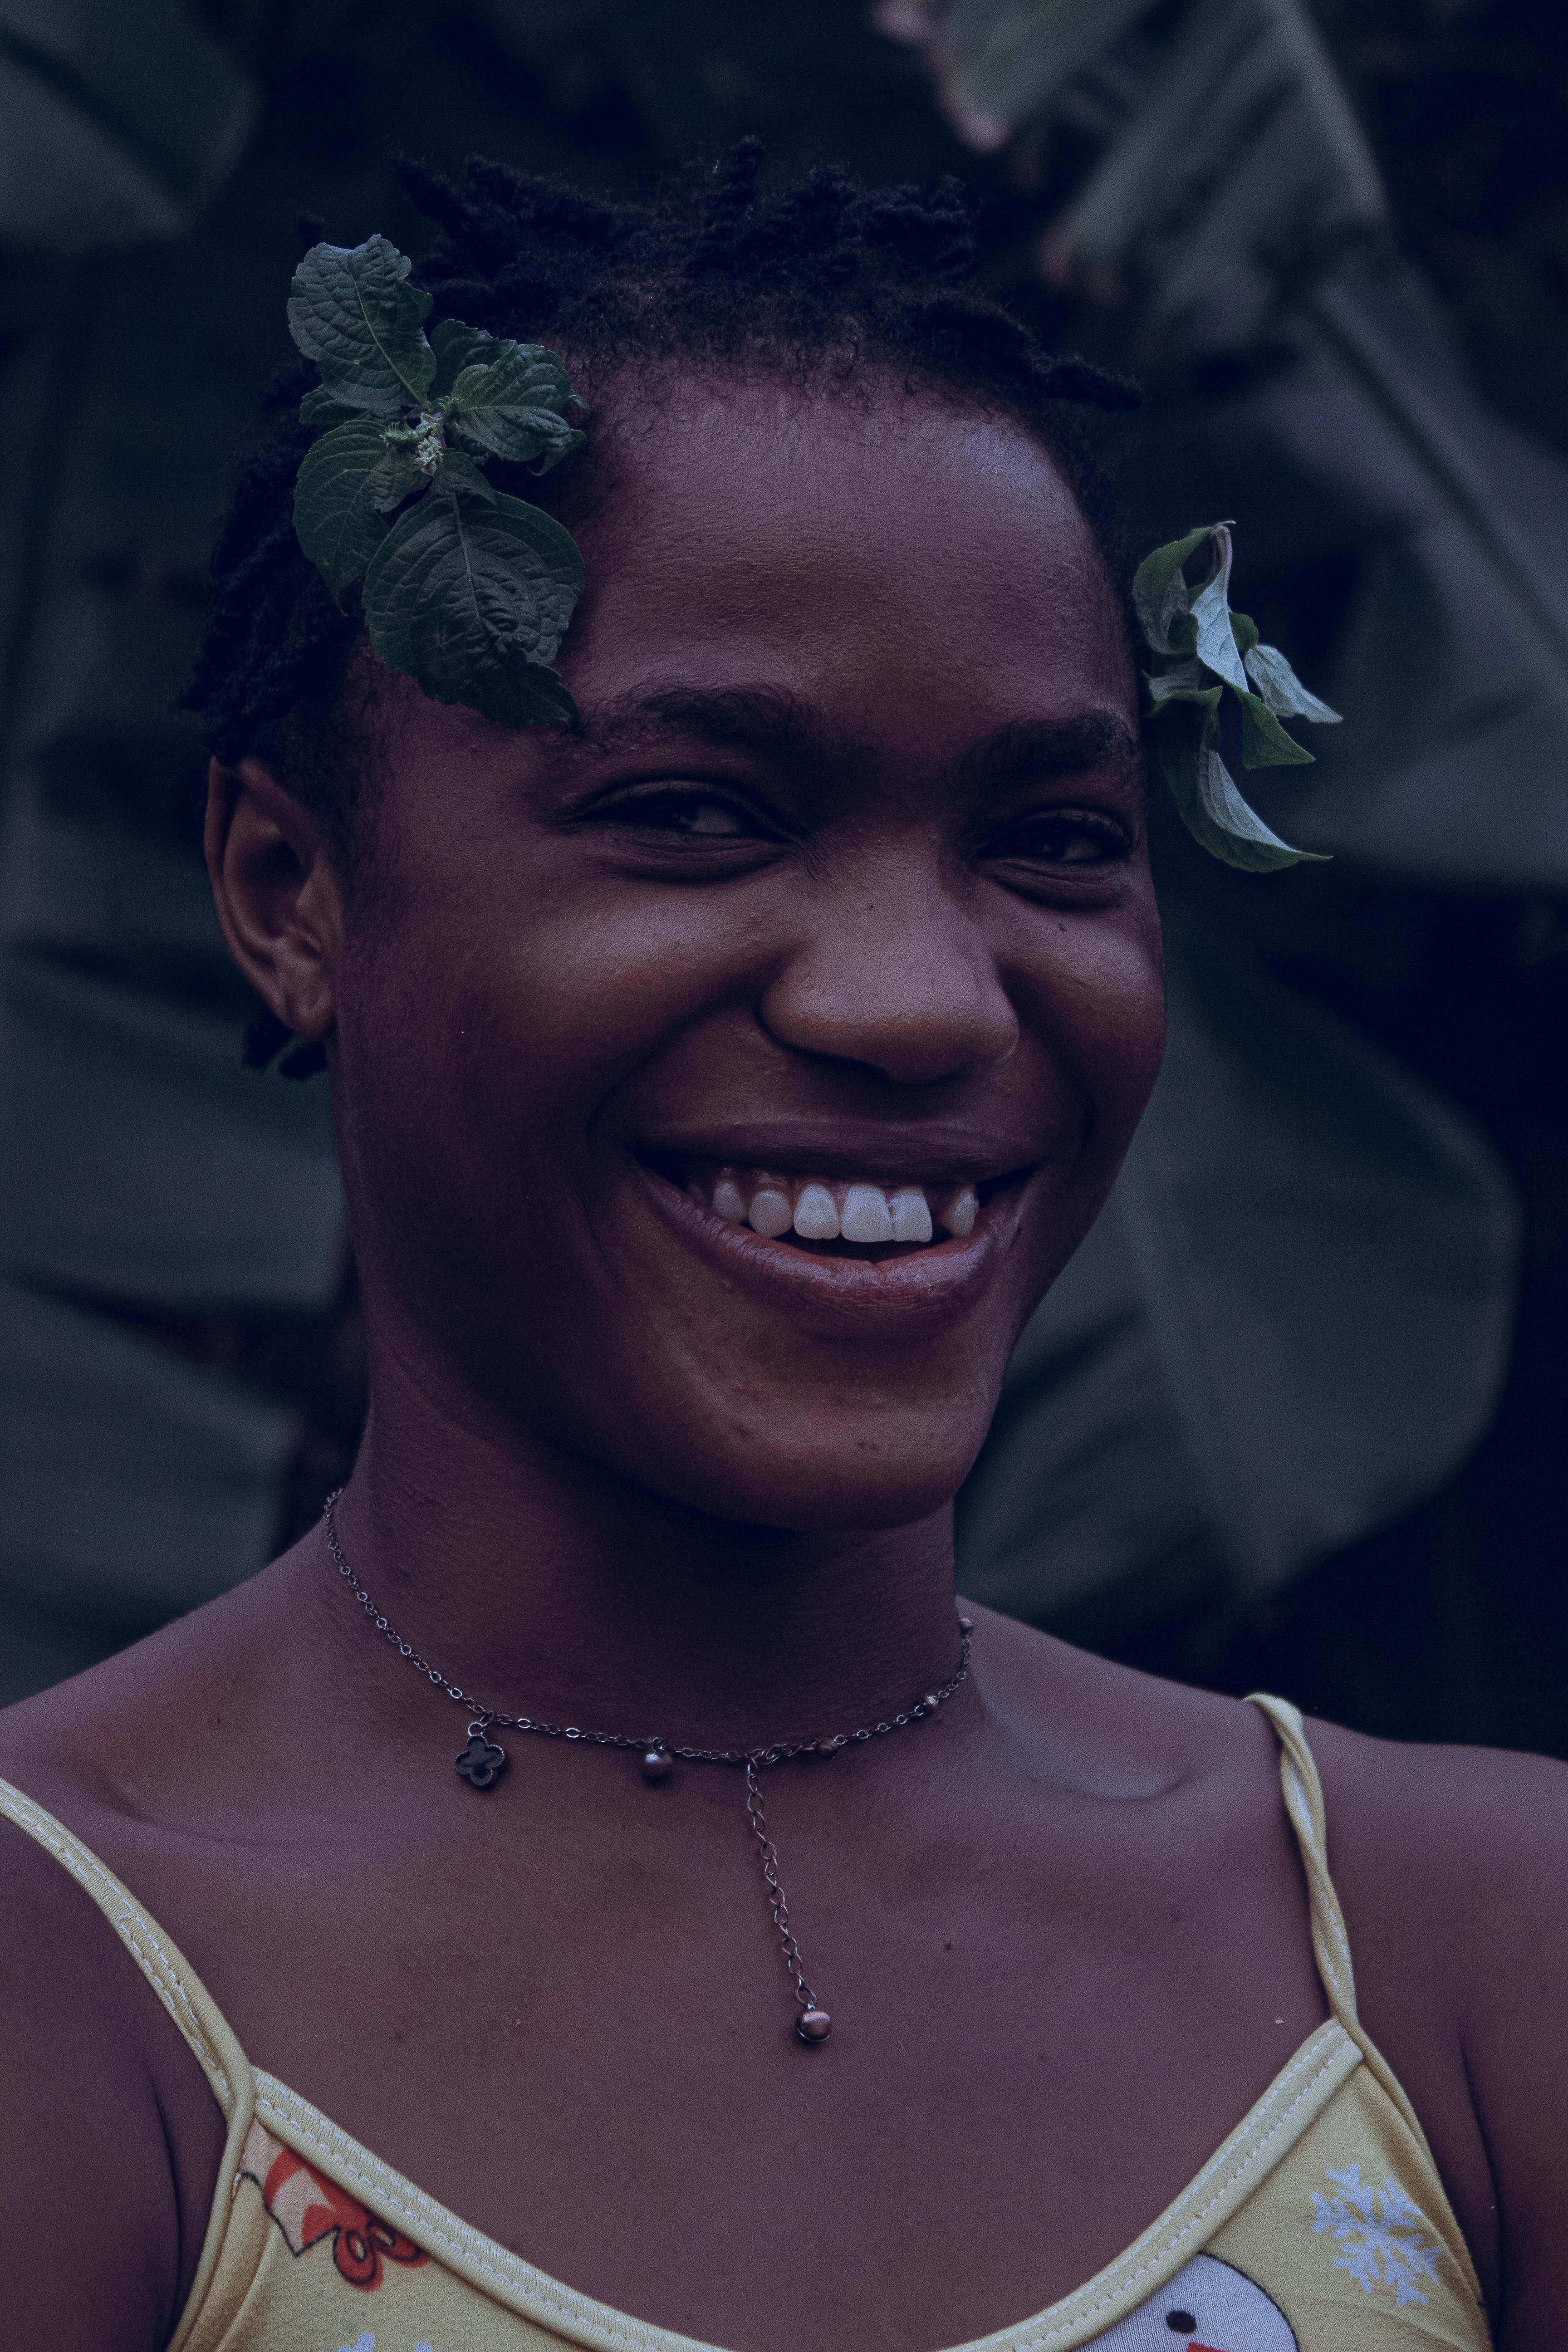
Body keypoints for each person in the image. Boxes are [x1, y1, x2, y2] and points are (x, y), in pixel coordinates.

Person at [0, 147, 1561, 2352]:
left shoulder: (1456, 1963)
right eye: (699, 813)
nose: (919, 1000)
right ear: (288, 890)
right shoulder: (69, 1986)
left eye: (1051, 841)